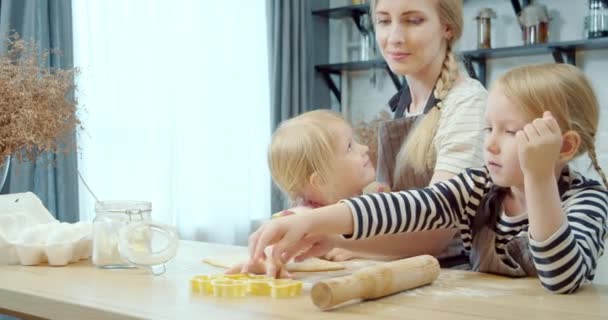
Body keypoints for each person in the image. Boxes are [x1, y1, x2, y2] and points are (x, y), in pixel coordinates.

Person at [248, 63, 608, 293]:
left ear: (565, 146)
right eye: (488, 128)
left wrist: (539, 178)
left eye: (511, 131)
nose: (491, 144)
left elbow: (562, 278)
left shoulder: (587, 200)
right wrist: (315, 222)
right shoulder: (478, 187)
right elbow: (408, 206)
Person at [324, 0, 487, 267]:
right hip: (406, 266)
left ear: (447, 27)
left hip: (454, 273)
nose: (394, 38)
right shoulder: (404, 104)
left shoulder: (468, 102)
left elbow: (437, 228)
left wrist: (338, 240)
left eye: (413, 21)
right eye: (384, 21)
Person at [226, 109, 377, 277]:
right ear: (321, 180)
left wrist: (358, 250)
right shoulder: (302, 216)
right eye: (349, 147)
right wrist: (266, 261)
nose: (365, 148)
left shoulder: (370, 199)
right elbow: (274, 246)